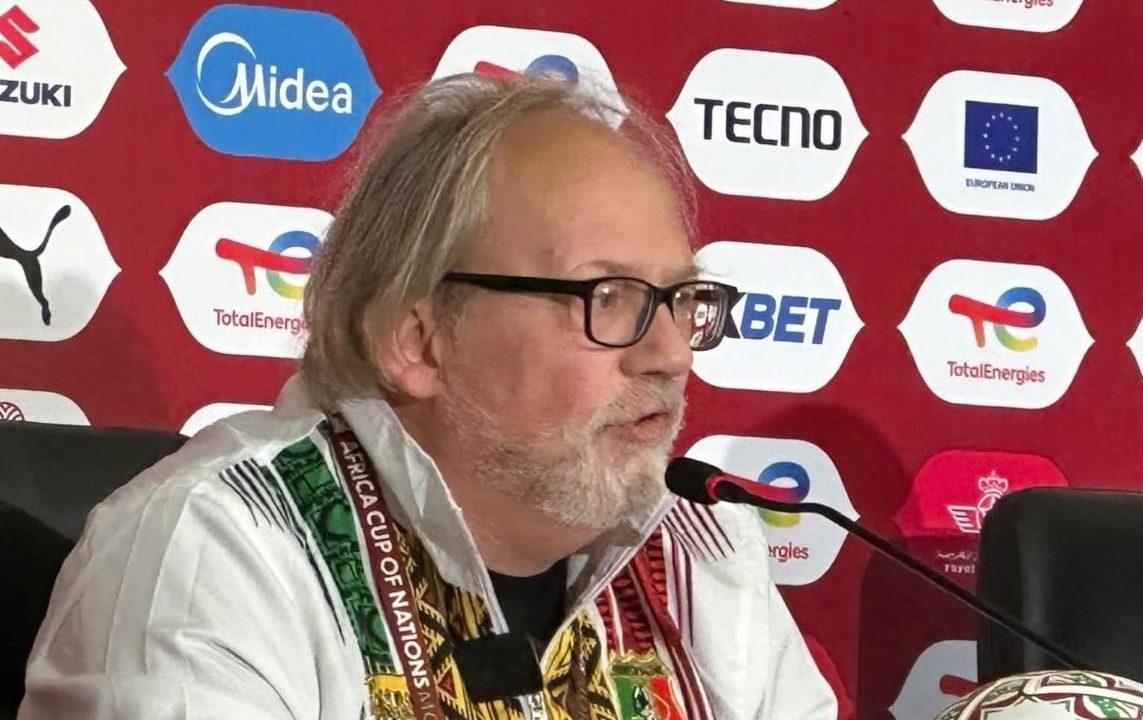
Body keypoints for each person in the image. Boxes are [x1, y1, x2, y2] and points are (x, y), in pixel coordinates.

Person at [19, 74, 838, 720]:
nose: (669, 354)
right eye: (609, 298)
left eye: (682, 299)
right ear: (416, 340)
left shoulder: (704, 553)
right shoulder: (223, 550)